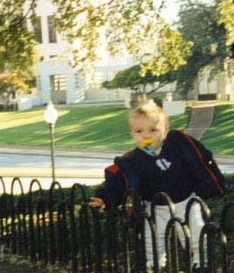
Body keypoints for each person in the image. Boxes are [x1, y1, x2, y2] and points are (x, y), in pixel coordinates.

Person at [89, 102, 226, 273]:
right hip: (154, 207)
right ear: (132, 134)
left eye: (153, 130)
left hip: (187, 201)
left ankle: (201, 263)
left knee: (196, 233)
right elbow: (117, 182)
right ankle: (154, 265)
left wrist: (211, 165)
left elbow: (199, 156)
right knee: (152, 240)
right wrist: (106, 197)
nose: (146, 135)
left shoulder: (178, 145)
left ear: (165, 131)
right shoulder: (130, 160)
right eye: (139, 131)